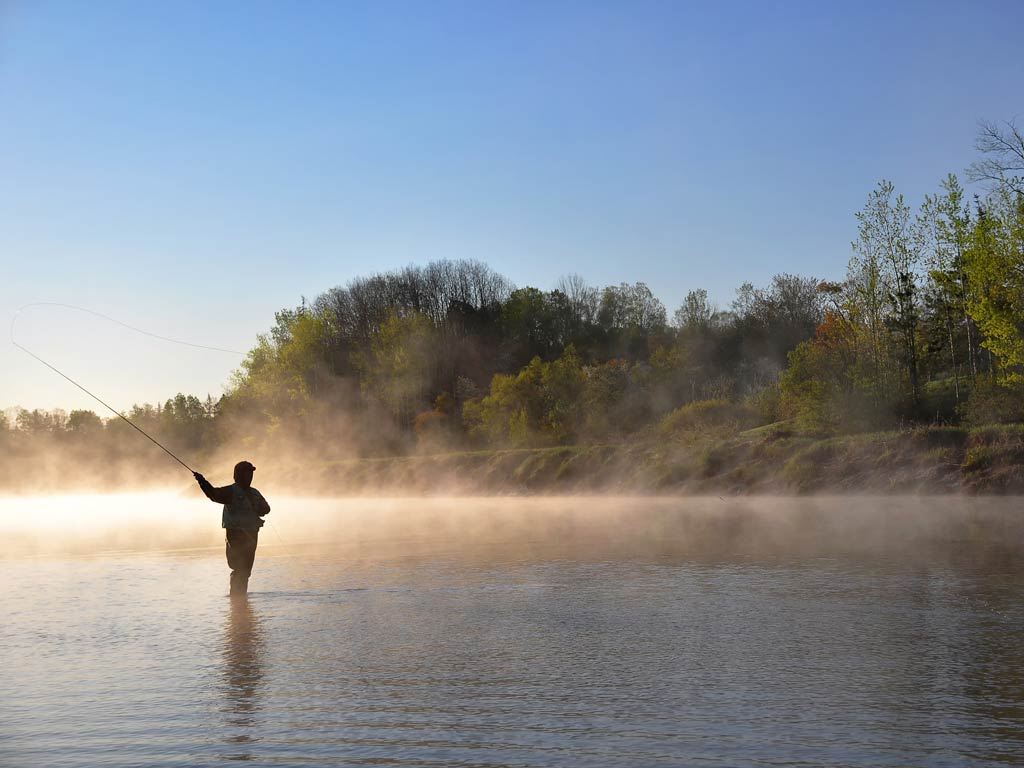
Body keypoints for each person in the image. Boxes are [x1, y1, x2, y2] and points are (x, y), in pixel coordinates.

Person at [194, 461, 271, 596]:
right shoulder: (231, 491)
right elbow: (213, 494)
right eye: (247, 473)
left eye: (251, 473)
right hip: (235, 534)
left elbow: (266, 509)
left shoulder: (255, 493)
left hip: (252, 535)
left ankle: (238, 600)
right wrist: (202, 481)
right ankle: (237, 599)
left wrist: (260, 508)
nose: (250, 476)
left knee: (245, 570)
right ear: (238, 475)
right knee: (238, 567)